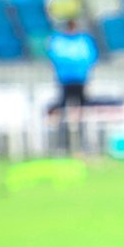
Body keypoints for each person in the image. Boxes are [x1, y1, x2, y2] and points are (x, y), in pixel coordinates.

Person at [44, 12, 99, 150]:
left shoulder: (83, 40)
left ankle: (82, 141)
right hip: (65, 80)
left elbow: (90, 56)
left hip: (80, 80)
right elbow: (56, 57)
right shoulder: (59, 40)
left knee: (82, 111)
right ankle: (62, 142)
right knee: (63, 111)